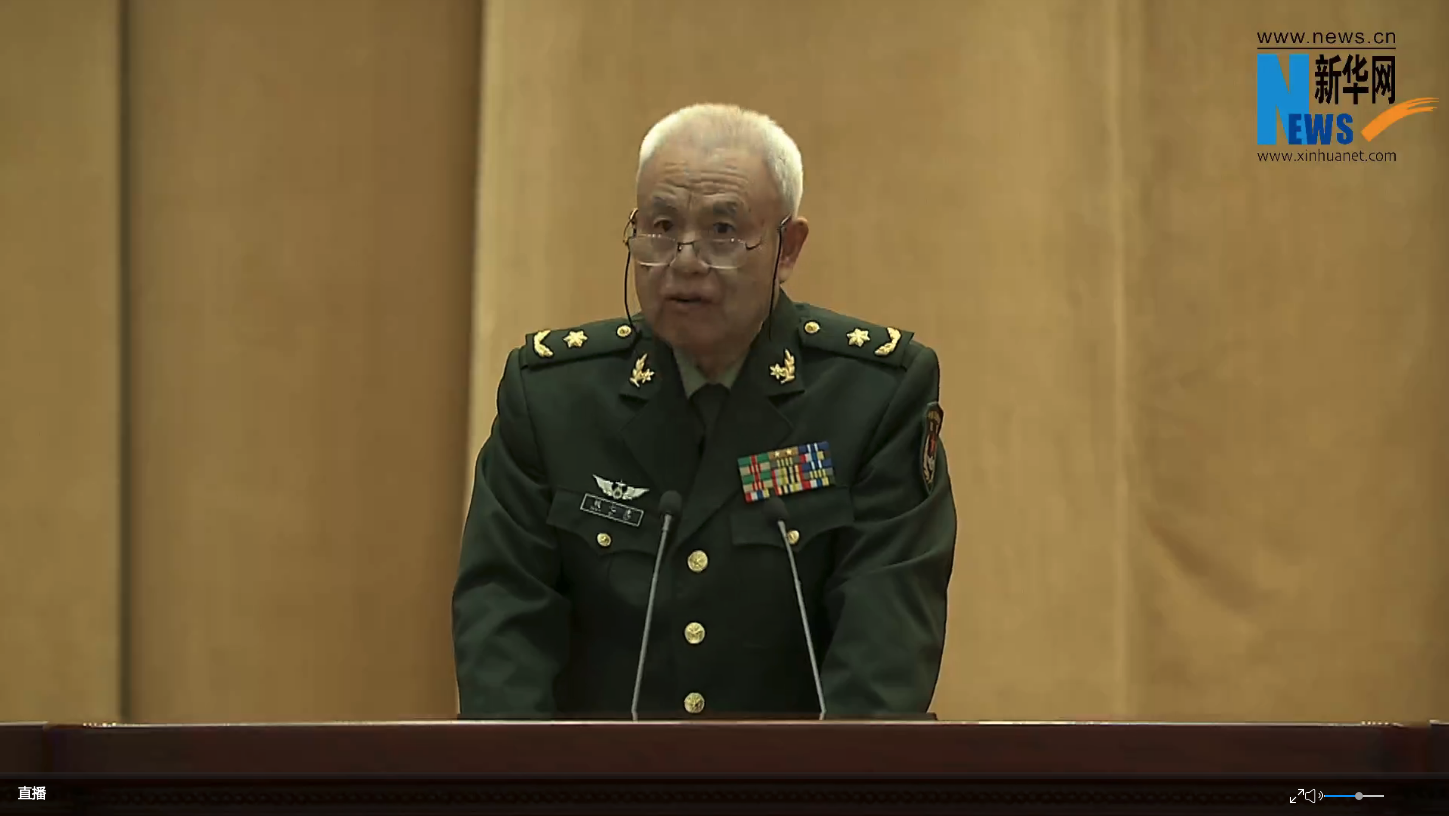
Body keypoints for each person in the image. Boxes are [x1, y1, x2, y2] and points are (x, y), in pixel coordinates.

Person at [452, 103, 955, 719]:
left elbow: (885, 655)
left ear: (788, 249)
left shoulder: (872, 397)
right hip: (596, 773)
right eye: (662, 226)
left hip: (803, 773)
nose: (685, 260)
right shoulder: (553, 398)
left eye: (723, 231)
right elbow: (503, 625)